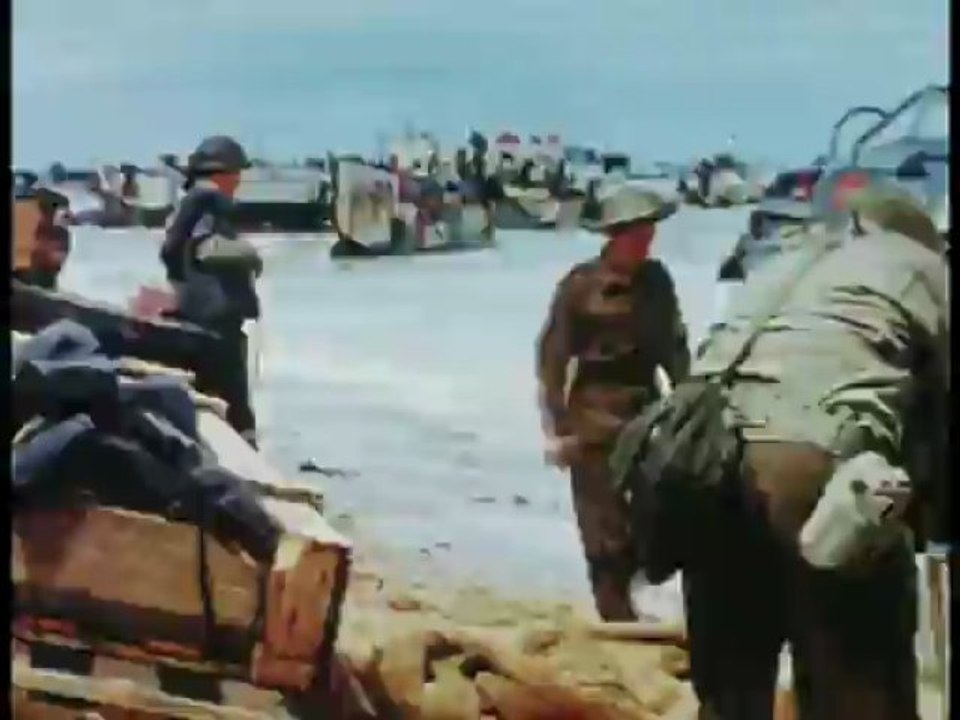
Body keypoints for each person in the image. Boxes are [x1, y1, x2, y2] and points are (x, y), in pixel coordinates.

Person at [677, 181, 948, 719]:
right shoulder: (923, 267)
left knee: (733, 684)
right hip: (812, 459)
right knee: (859, 673)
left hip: (700, 460)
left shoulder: (784, 262)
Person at [536, 186, 691, 621]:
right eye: (638, 235)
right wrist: (559, 426)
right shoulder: (579, 286)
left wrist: (689, 403)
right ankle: (615, 613)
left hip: (646, 412)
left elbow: (674, 347)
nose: (646, 243)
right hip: (592, 414)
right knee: (602, 527)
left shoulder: (657, 282)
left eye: (649, 233)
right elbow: (552, 358)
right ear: (615, 236)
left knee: (654, 516)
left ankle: (632, 591)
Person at [159, 135, 262, 448]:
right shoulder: (208, 200)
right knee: (234, 404)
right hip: (215, 321)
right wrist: (247, 255)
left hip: (202, 318)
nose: (239, 181)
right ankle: (245, 457)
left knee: (214, 398)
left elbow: (175, 252)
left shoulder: (193, 203)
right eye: (236, 173)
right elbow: (195, 249)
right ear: (222, 173)